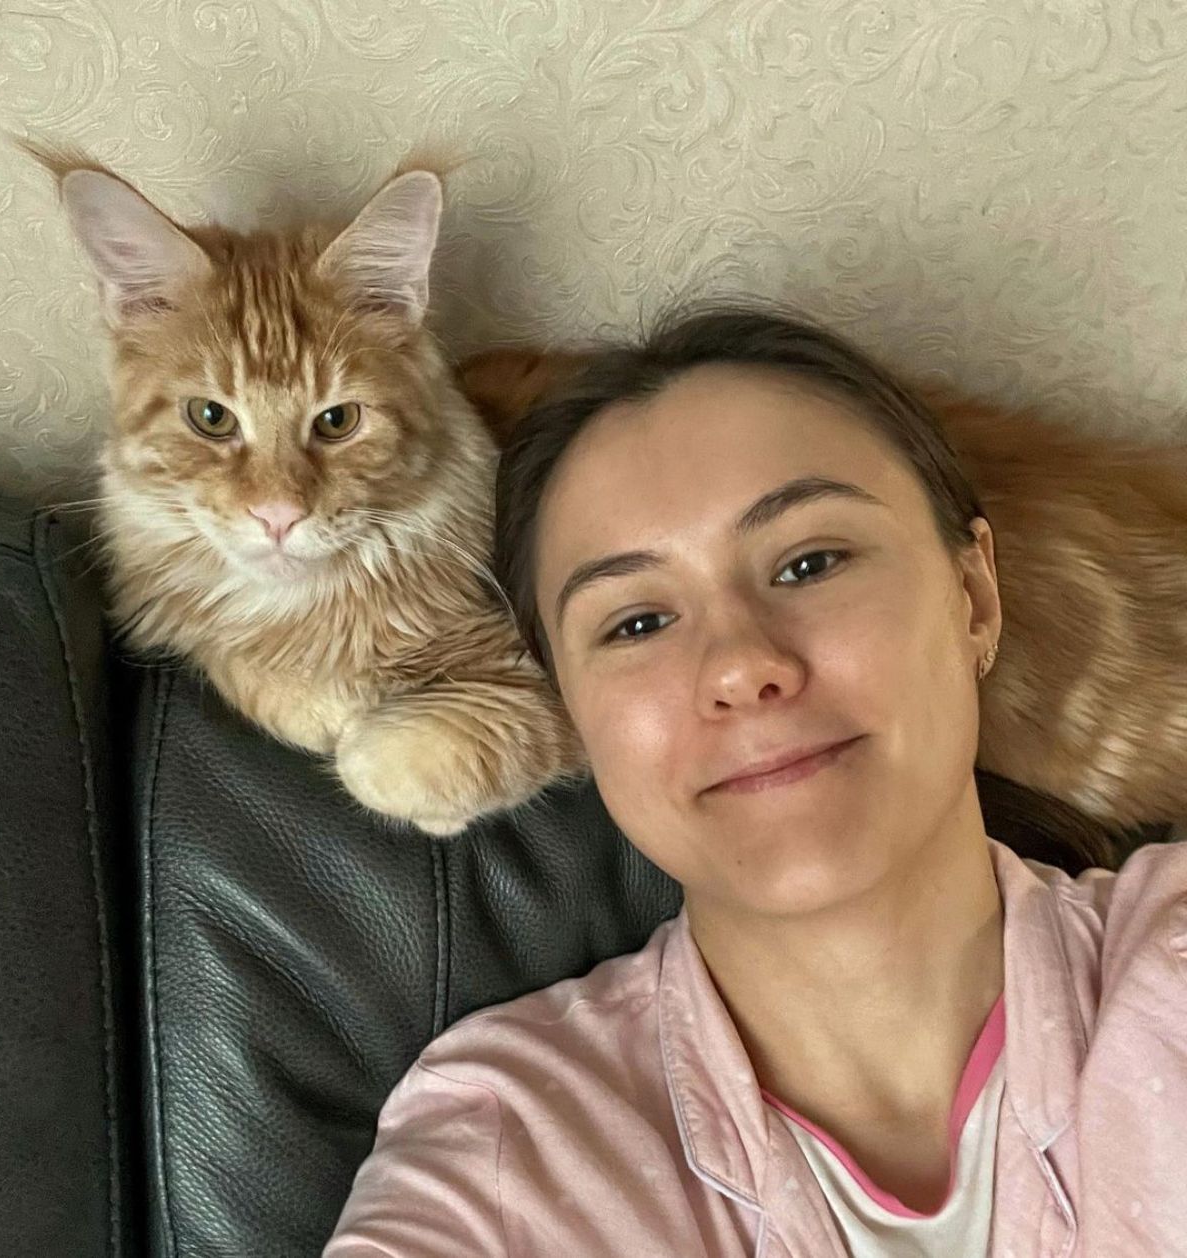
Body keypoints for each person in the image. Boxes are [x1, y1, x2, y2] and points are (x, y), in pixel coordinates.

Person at [323, 308, 1187, 1257]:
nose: (741, 666)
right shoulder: (505, 1152)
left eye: (810, 563)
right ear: (568, 701)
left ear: (973, 599)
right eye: (637, 623)